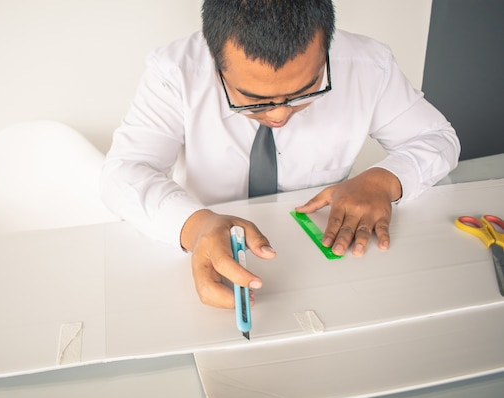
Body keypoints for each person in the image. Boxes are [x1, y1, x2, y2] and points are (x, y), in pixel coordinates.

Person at [100, 0, 460, 309]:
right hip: (204, 248)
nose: (279, 115)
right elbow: (124, 172)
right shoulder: (175, 72)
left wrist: (384, 180)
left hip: (321, 268)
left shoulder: (369, 66)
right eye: (253, 99)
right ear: (215, 60)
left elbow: (437, 138)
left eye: (304, 91)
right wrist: (194, 227)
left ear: (326, 47)